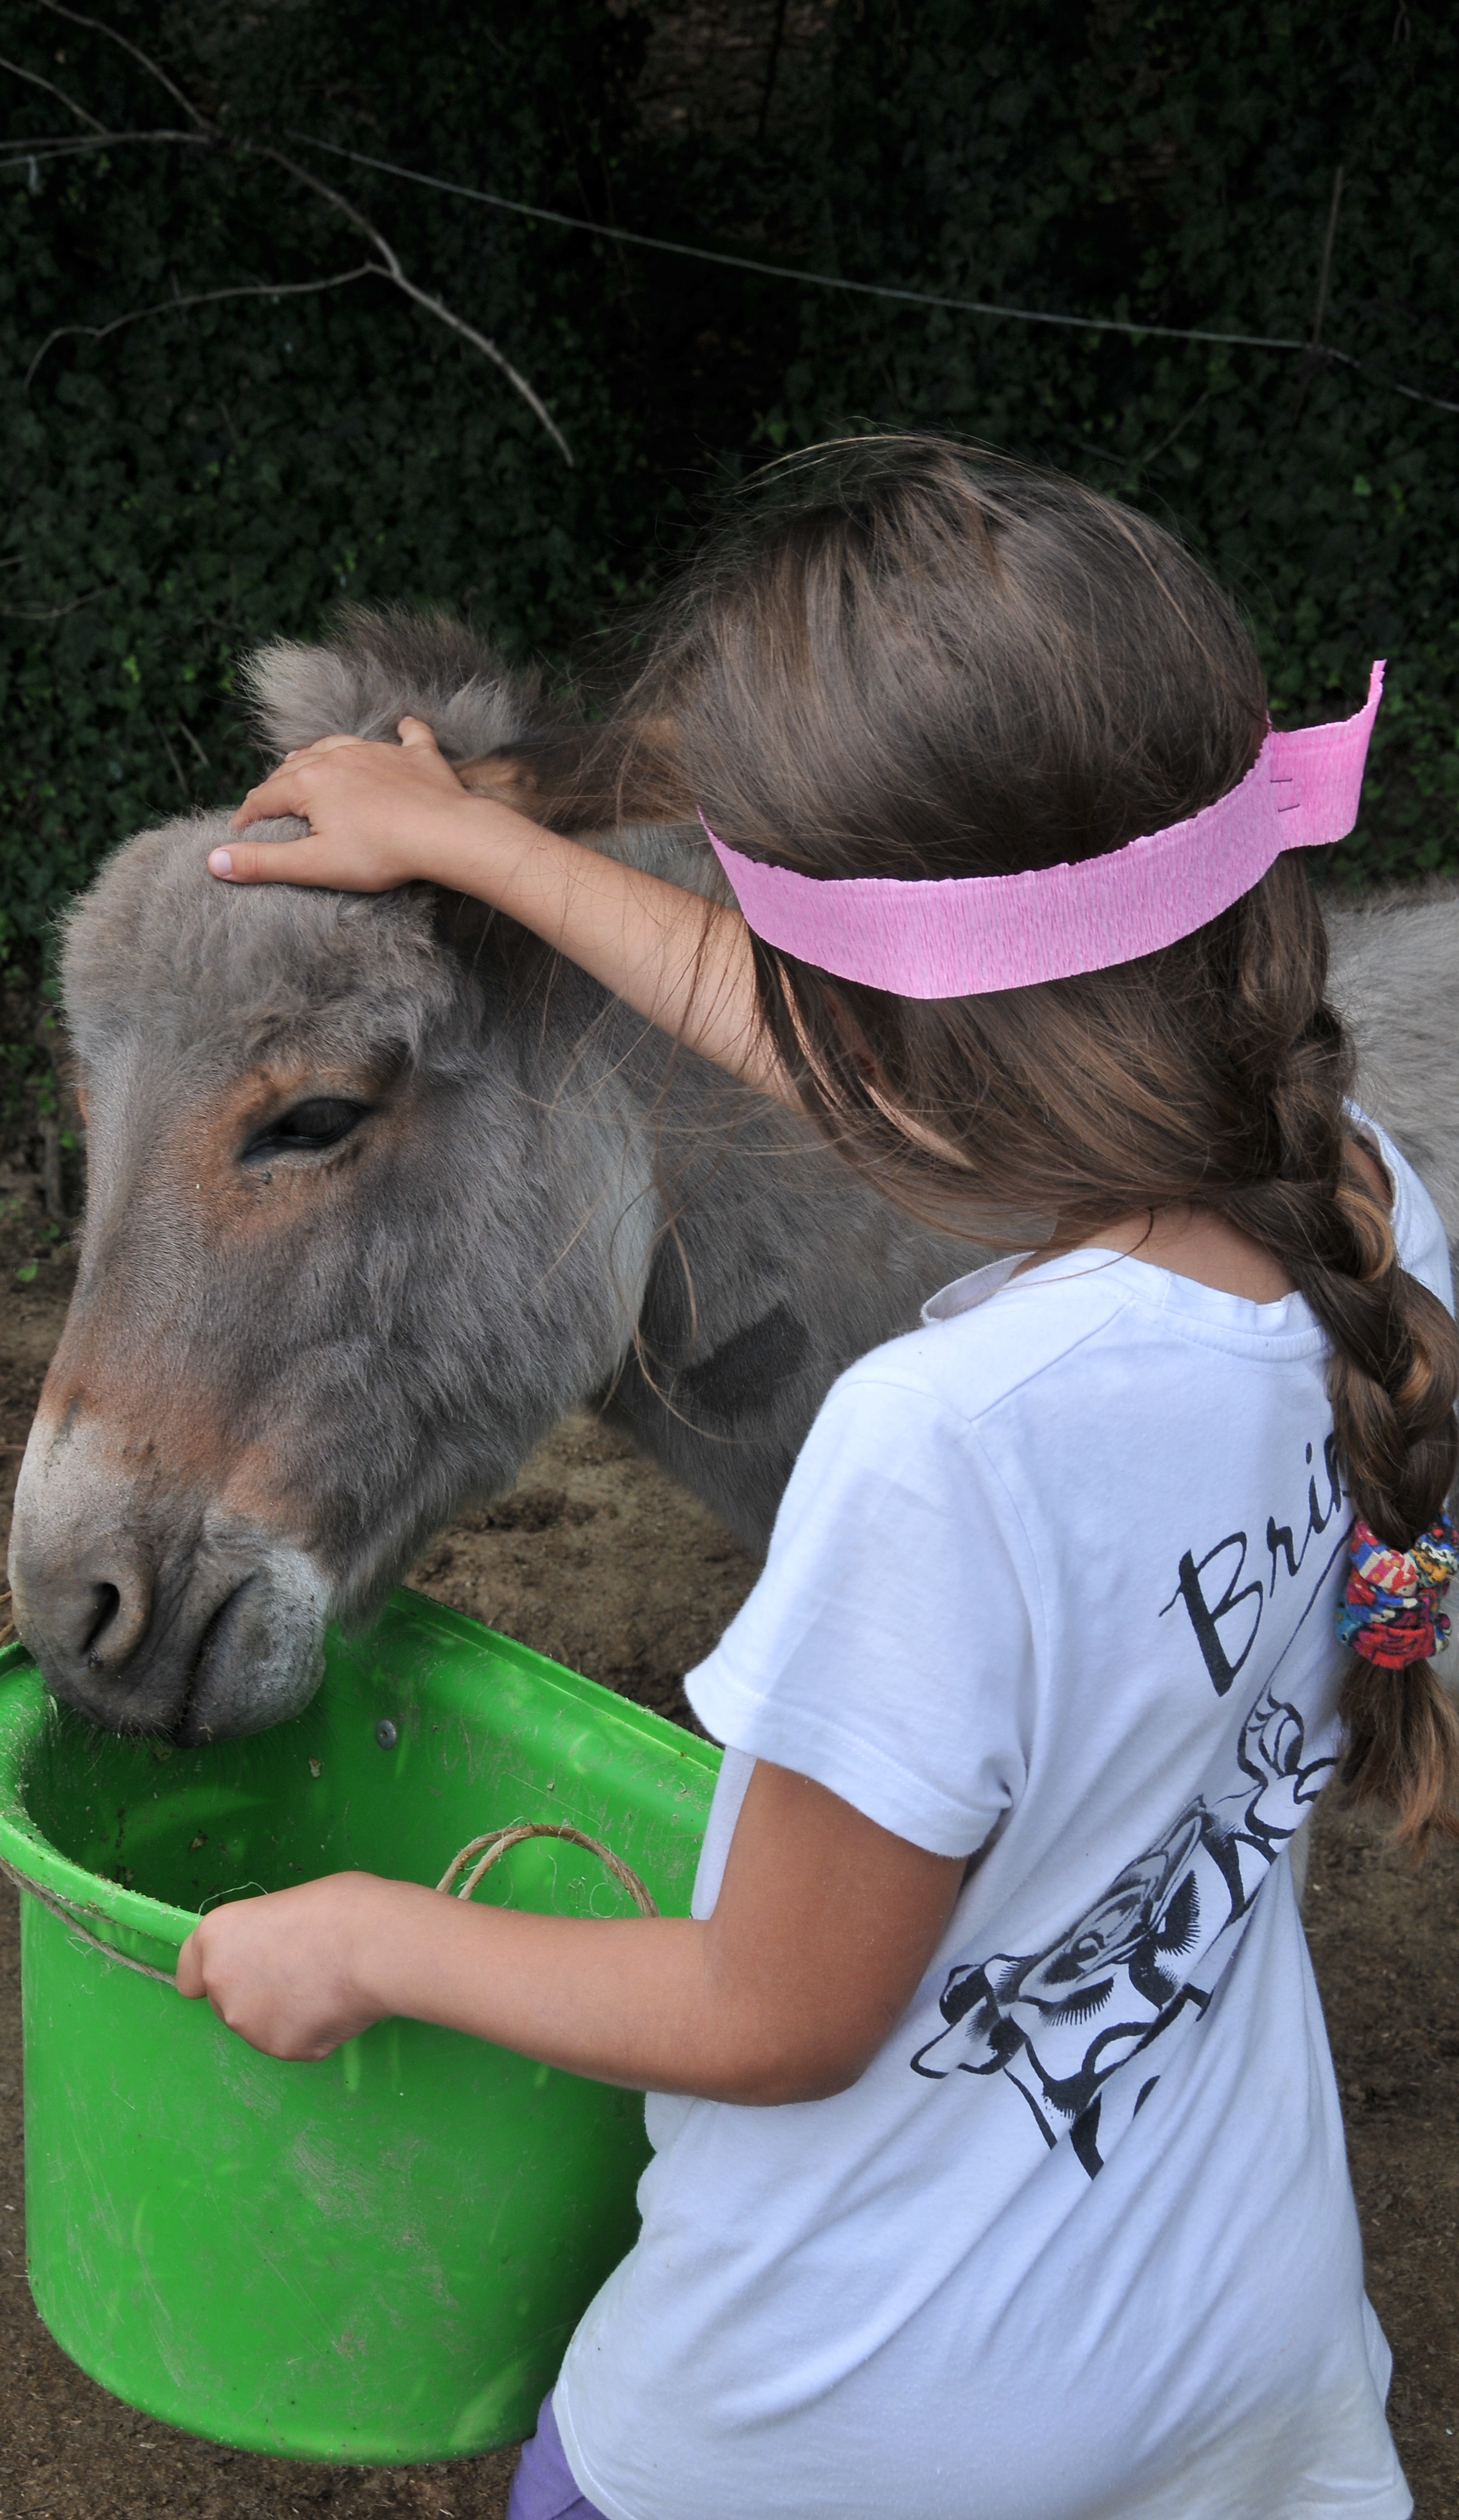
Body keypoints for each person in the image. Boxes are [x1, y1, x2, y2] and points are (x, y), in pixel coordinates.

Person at [176, 440, 1459, 2520]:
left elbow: (770, 2011)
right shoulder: (1360, 1219)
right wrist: (493, 854)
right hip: (1238, 2337)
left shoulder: (945, 1451)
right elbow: (901, 1068)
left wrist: (367, 1938)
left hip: (844, 2423)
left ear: (883, 1038)